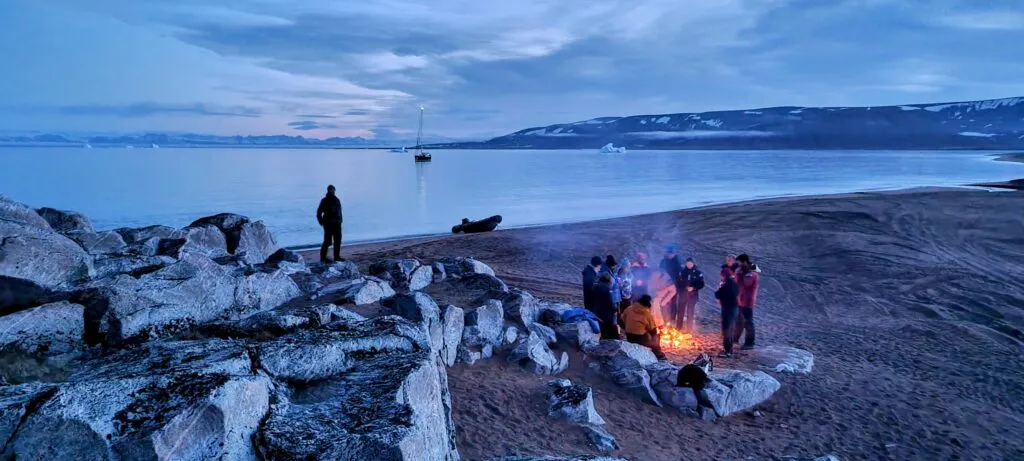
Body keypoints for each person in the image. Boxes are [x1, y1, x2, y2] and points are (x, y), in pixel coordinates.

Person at [619, 294, 666, 360]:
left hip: (629, 336)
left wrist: (627, 328)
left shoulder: (629, 308)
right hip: (640, 338)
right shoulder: (646, 313)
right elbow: (652, 330)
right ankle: (659, 355)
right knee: (656, 336)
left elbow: (621, 321)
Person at [733, 254, 760, 350]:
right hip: (741, 300)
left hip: (747, 301)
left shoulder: (751, 273)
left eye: (739, 263)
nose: (738, 265)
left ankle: (749, 342)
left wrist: (739, 274)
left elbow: (746, 284)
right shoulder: (744, 272)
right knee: (739, 321)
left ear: (744, 262)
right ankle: (735, 338)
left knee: (748, 322)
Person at [714, 267, 740, 358]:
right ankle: (729, 349)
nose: (721, 277)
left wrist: (720, 287)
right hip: (734, 308)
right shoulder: (734, 284)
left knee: (726, 329)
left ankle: (727, 350)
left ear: (724, 275)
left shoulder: (726, 285)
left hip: (728, 309)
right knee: (730, 328)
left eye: (721, 276)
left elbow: (718, 294)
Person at [316, 184, 343, 263]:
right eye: (331, 190)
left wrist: (340, 221)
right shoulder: (324, 200)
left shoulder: (337, 200)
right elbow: (319, 213)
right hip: (328, 224)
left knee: (337, 241)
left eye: (333, 190)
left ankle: (337, 257)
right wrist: (321, 222)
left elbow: (340, 211)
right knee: (327, 241)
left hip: (337, 224)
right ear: (328, 190)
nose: (332, 191)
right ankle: (323, 258)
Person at [659, 245, 684, 328]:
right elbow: (660, 272)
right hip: (663, 286)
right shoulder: (663, 261)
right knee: (663, 302)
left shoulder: (677, 262)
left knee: (673, 302)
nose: (670, 255)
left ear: (674, 253)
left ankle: (672, 319)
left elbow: (680, 275)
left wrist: (677, 286)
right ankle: (663, 319)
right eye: (668, 253)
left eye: (671, 253)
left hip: (674, 286)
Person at [678, 257, 706, 332]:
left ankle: (689, 330)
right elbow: (679, 283)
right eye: (687, 263)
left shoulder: (698, 272)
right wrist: (684, 288)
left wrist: (693, 288)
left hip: (693, 295)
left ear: (693, 263)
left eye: (690, 263)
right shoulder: (682, 272)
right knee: (680, 312)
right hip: (683, 295)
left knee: (690, 312)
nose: (689, 265)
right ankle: (678, 328)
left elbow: (701, 284)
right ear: (685, 264)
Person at [591, 273, 620, 340]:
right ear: (608, 280)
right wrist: (615, 308)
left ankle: (602, 338)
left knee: (602, 328)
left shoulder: (595, 286)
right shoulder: (607, 289)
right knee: (610, 329)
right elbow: (610, 302)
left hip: (597, 311)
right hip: (607, 313)